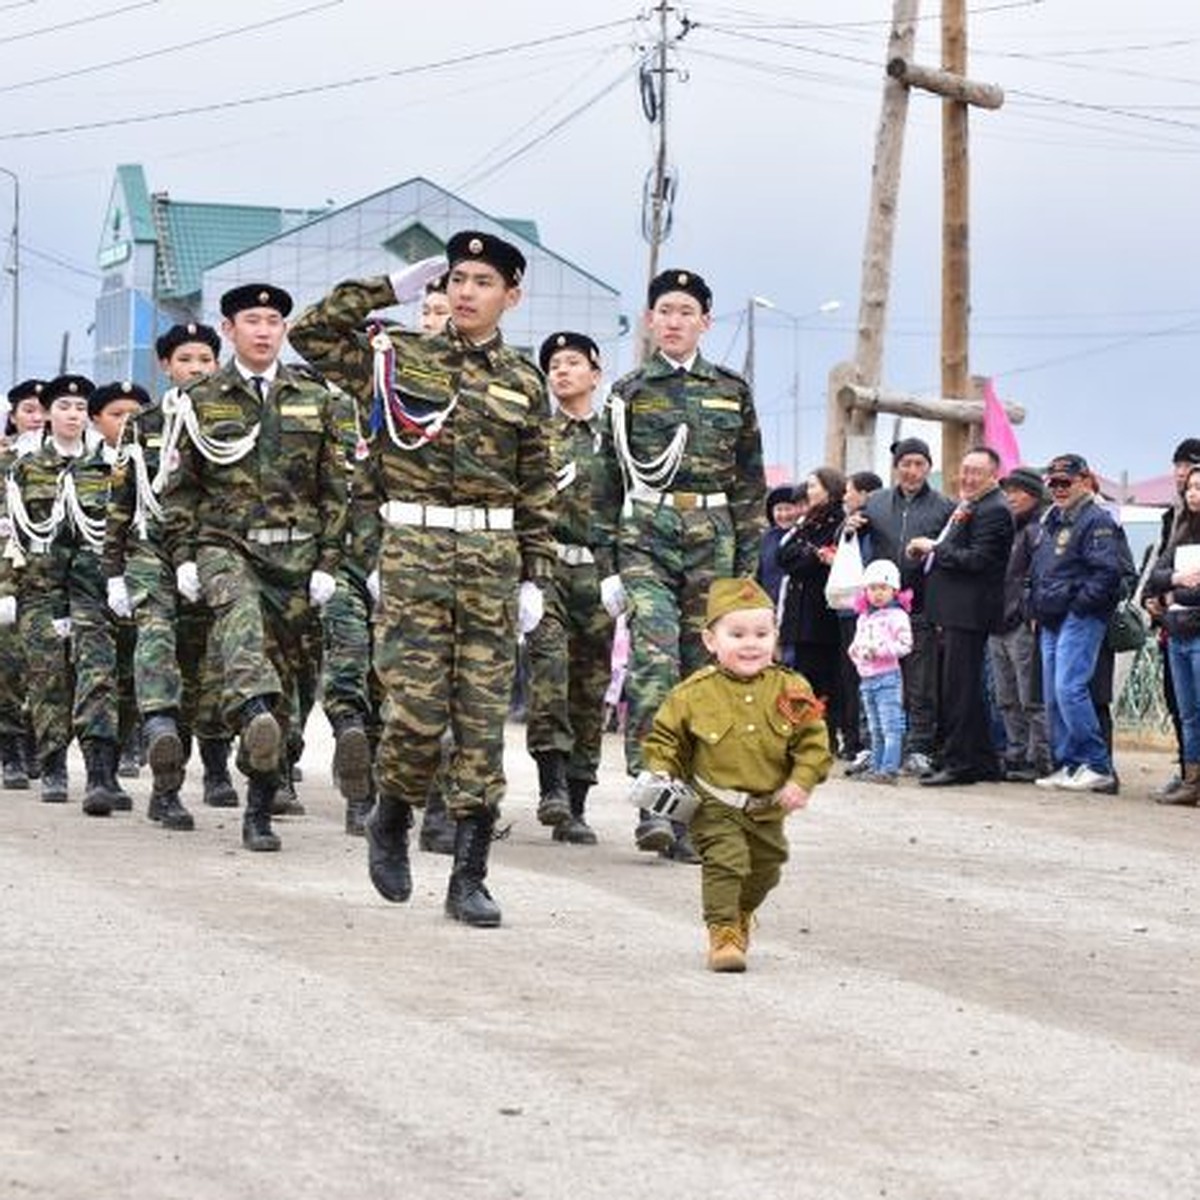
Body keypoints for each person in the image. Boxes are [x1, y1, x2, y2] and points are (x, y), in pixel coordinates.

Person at [289, 232, 555, 928]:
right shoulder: (398, 356)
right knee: (415, 714)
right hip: (414, 555)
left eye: (483, 282)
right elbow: (309, 335)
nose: (465, 292)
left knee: (480, 721)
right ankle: (391, 817)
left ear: (512, 296)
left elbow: (537, 491)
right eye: (457, 279)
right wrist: (387, 290)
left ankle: (469, 875)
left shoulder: (524, 382)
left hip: (493, 564)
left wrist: (538, 576)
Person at [161, 283, 351, 852]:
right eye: (252, 319)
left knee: (291, 690)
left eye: (273, 320)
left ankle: (260, 806)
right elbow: (179, 492)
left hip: (296, 558)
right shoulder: (198, 399)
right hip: (228, 547)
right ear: (228, 330)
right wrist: (184, 556)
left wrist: (329, 561)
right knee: (243, 634)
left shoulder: (317, 398)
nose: (264, 329)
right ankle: (250, 709)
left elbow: (337, 490)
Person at [593, 267, 767, 861]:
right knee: (653, 664)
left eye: (685, 312)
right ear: (650, 320)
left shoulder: (731, 389)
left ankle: (692, 815)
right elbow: (605, 483)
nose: (674, 321)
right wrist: (607, 568)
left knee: (703, 680)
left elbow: (749, 485)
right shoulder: (629, 391)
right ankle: (655, 803)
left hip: (713, 542)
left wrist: (747, 573)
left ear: (704, 323)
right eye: (664, 310)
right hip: (646, 535)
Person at [640, 577, 832, 972]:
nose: (751, 643)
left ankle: (742, 913)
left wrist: (802, 780)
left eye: (762, 633)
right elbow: (665, 740)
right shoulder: (693, 693)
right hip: (714, 804)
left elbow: (814, 741)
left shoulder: (792, 687)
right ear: (711, 641)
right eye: (737, 633)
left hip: (768, 807)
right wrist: (661, 773)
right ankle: (723, 932)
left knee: (766, 869)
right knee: (726, 863)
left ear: (776, 636)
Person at [104, 323, 230, 830]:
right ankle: (160, 748)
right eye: (185, 359)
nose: (196, 367)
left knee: (202, 668)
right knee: (156, 637)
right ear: (165, 366)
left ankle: (208, 766)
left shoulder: (232, 419)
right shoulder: (144, 423)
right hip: (150, 550)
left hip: (210, 550)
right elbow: (122, 500)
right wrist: (113, 570)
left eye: (204, 358)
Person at [523, 330, 614, 845]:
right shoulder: (537, 434)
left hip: (599, 574)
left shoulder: (614, 438)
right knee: (550, 668)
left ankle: (577, 801)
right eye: (554, 364)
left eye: (573, 362)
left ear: (594, 374)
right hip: (548, 567)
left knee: (590, 683)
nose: (562, 371)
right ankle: (551, 786)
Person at [847, 437, 955, 775]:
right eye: (906, 464)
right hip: (877, 609)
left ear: (929, 467)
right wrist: (847, 526)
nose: (912, 471)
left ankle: (919, 747)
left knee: (920, 682)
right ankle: (870, 745)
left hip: (921, 605)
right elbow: (849, 533)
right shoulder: (875, 502)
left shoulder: (943, 506)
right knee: (872, 674)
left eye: (919, 464)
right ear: (896, 468)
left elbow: (952, 550)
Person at [908, 446, 1014, 786]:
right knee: (962, 687)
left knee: (960, 690)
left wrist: (933, 548)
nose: (967, 478)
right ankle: (982, 760)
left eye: (976, 472)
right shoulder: (971, 505)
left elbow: (978, 560)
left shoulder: (995, 509)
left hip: (970, 613)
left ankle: (960, 763)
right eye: (965, 470)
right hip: (954, 611)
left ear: (993, 476)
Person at [1028, 453, 1123, 792]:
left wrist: (1080, 606)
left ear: (1085, 481)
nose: (1058, 489)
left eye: (1065, 482)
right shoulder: (1052, 518)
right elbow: (1039, 569)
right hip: (1051, 616)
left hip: (1078, 616)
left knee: (1070, 688)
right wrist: (1036, 608)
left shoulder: (1097, 519)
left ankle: (1097, 765)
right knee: (1054, 694)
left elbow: (1108, 572)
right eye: (1052, 483)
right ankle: (1069, 764)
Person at [1145, 438, 1200, 798]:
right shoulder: (1178, 525)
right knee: (1186, 711)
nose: (1193, 491)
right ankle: (1191, 778)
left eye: (1199, 486)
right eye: (1191, 486)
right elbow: (1156, 575)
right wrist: (1175, 584)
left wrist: (1174, 591)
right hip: (1176, 630)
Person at [988, 466, 1051, 783]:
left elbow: (1038, 579)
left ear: (1034, 494)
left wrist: (1027, 613)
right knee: (1006, 697)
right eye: (1007, 491)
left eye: (1017, 491)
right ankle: (1015, 753)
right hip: (997, 623)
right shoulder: (1007, 528)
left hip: (1022, 625)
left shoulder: (1041, 529)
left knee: (1030, 697)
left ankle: (1038, 758)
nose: (1010, 497)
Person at [0, 378, 47, 788]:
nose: (38, 417)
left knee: (49, 666)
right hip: (7, 578)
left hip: (50, 578)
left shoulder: (69, 461)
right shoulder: (4, 463)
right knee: (11, 663)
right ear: (13, 417)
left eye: (42, 409)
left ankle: (38, 740)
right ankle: (11, 746)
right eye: (29, 410)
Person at [777, 466, 845, 749]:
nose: (809, 491)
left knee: (824, 678)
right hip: (800, 612)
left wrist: (808, 557)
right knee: (803, 677)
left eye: (814, 485)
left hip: (822, 613)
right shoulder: (807, 520)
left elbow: (812, 560)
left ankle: (824, 737)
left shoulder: (838, 520)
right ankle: (806, 735)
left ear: (829, 488)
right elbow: (784, 555)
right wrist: (809, 555)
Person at [847, 558, 912, 783]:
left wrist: (880, 650)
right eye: (872, 588)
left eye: (883, 588)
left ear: (894, 590)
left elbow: (906, 645)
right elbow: (855, 644)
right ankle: (876, 766)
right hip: (867, 678)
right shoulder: (864, 617)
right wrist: (856, 652)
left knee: (890, 725)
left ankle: (889, 769)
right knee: (874, 727)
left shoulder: (897, 615)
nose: (878, 594)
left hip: (888, 678)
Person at [836, 470, 883, 772]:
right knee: (851, 678)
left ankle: (866, 742)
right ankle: (855, 740)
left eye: (849, 491)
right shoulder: (849, 524)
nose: (845, 497)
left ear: (866, 495)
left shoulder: (871, 521)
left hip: (865, 611)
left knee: (864, 678)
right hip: (847, 608)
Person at [756, 484, 800, 607]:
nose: (784, 515)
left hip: (794, 605)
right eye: (779, 509)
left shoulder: (803, 534)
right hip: (768, 603)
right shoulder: (767, 538)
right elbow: (759, 573)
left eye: (788, 509)